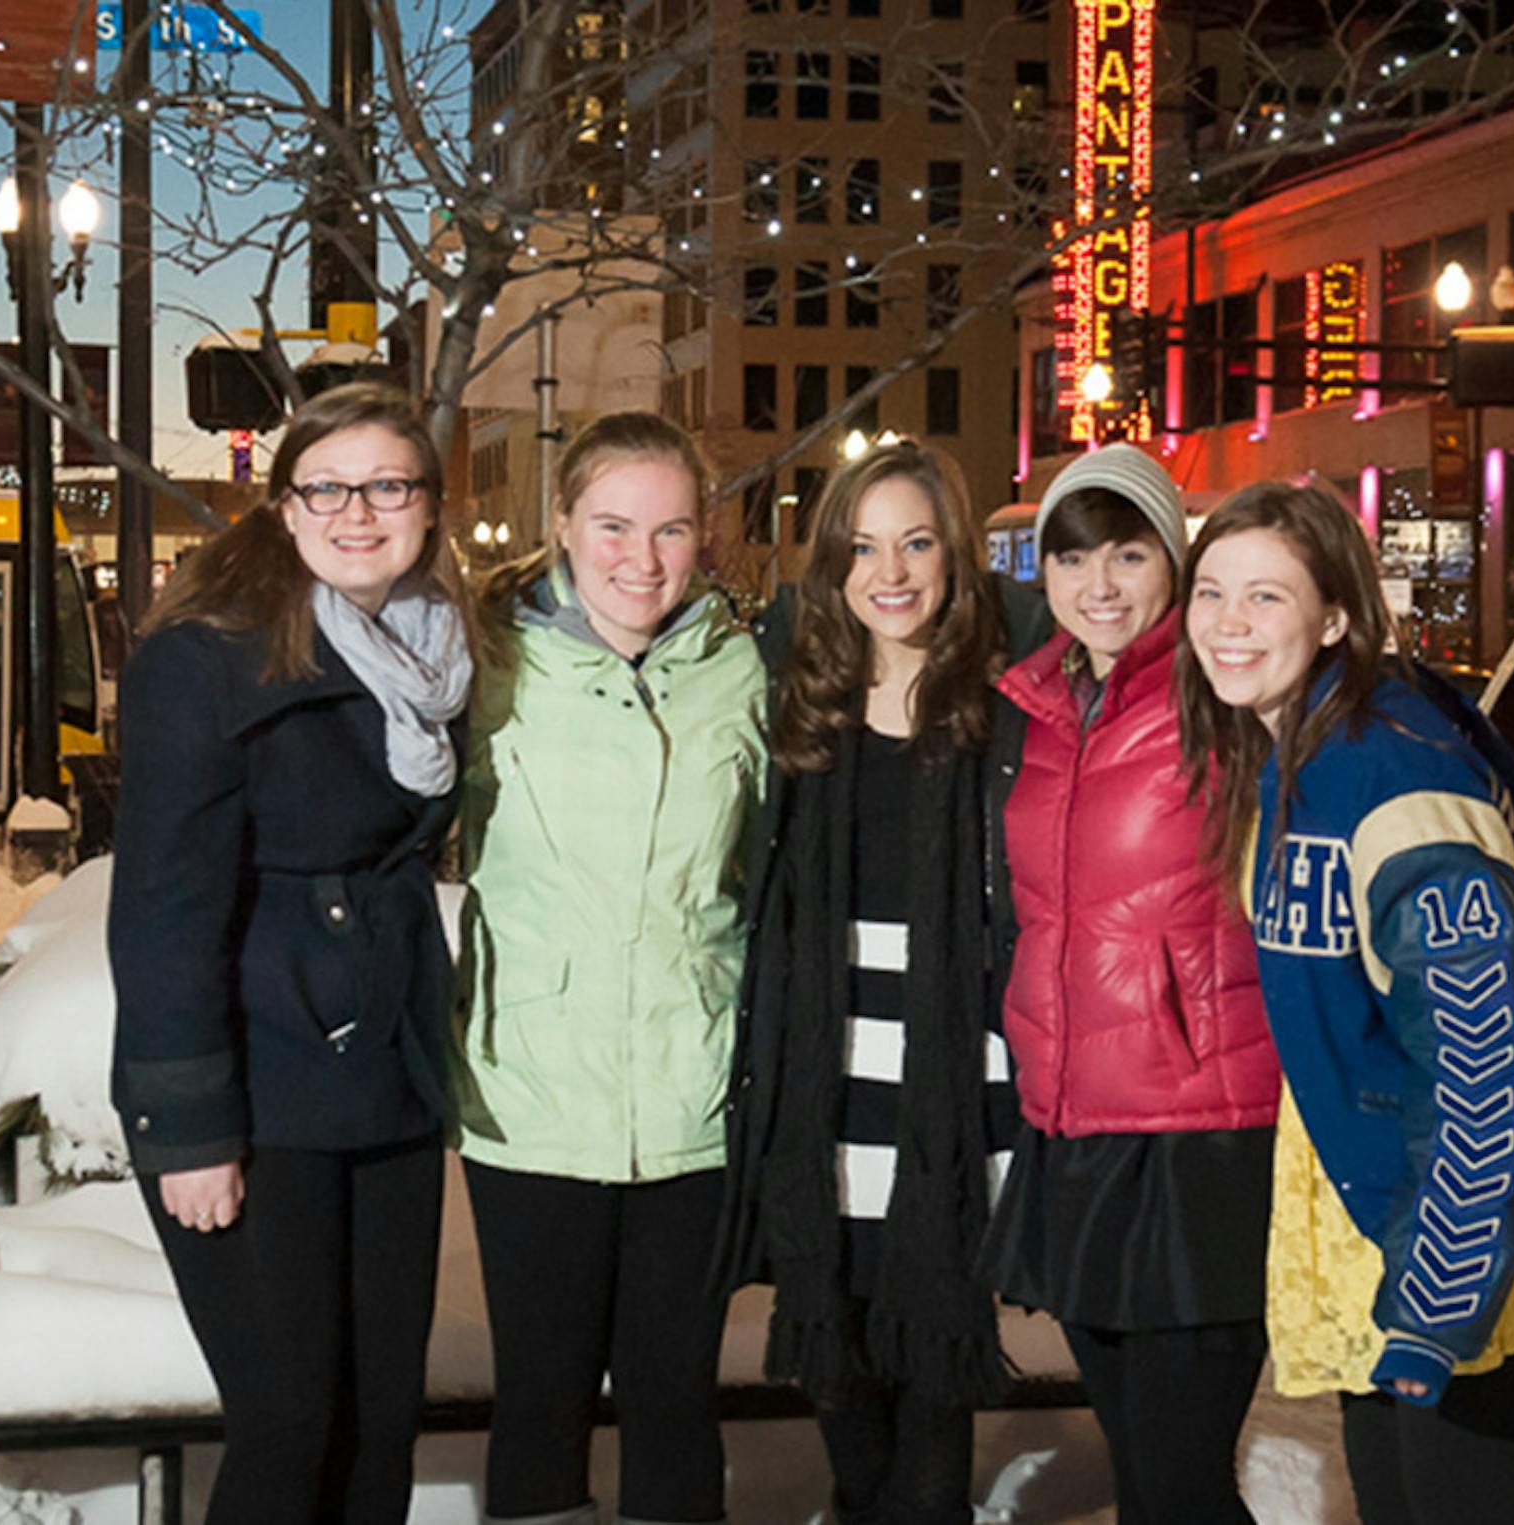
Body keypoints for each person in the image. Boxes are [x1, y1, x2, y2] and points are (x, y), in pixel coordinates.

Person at [1176, 480, 1514, 1525]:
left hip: (1471, 1213)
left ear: (1336, 614)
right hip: (1385, 1195)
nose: (1225, 623)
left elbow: (1486, 1056)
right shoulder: (1297, 740)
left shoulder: (1383, 770)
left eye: (1265, 597)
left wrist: (1439, 1296)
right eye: (1210, 591)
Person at [108, 382, 474, 1525]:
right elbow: (163, 911)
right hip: (259, 1093)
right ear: (281, 506)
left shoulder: (434, 656)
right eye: (327, 486)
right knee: (286, 1418)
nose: (357, 511)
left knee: (378, 1421)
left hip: (387, 1081)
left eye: (388, 485)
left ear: (428, 505)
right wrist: (193, 1131)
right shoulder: (205, 656)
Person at [452, 411, 766, 1525]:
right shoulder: (489, 661)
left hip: (693, 1093)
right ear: (563, 527)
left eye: (672, 528)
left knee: (675, 1396)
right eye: (616, 526)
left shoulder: (739, 668)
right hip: (530, 1092)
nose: (644, 559)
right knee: (540, 1396)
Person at [721, 441, 1043, 1525]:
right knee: (841, 1367)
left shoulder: (1011, 691)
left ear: (957, 554)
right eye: (863, 546)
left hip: (950, 1066)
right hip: (825, 1065)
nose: (890, 571)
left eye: (916, 542)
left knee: (930, 1366)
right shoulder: (794, 682)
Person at [976, 445, 1279, 1525]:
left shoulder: (1223, 687)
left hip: (1201, 1134)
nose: (1098, 582)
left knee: (1181, 1481)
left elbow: (1380, 778)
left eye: (1127, 552)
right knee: (1146, 1479)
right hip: (1075, 1124)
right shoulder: (1043, 704)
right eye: (1070, 556)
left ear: (1174, 558)